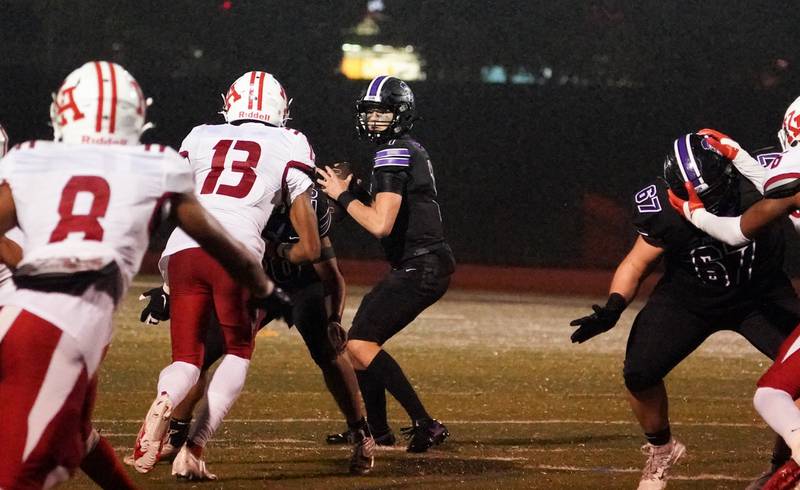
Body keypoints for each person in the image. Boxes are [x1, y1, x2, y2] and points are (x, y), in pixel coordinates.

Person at [0, 61, 277, 489]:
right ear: (134, 115)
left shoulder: (28, 157)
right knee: (30, 472)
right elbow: (222, 243)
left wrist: (30, 263)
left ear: (65, 109)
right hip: (62, 334)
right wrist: (264, 287)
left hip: (19, 317)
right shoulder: (156, 165)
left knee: (76, 435)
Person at [570, 132, 800, 490]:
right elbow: (635, 263)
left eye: (706, 195)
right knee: (639, 372)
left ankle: (783, 464)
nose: (698, 202)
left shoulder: (760, 180)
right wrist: (615, 305)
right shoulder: (662, 208)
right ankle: (661, 451)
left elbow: (738, 229)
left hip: (761, 295)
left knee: (798, 379)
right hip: (690, 299)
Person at [131, 70, 322, 480]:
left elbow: (173, 199)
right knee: (237, 350)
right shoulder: (291, 142)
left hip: (183, 249)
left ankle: (166, 398)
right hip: (235, 253)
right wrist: (280, 251)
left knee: (186, 359)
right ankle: (193, 449)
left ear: (231, 103)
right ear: (280, 110)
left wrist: (166, 284)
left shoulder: (200, 135)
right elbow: (311, 247)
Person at [134, 168, 376, 476]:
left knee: (329, 352)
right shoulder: (261, 212)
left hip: (301, 289)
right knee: (205, 352)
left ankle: (361, 432)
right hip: (256, 283)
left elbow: (332, 277)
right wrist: (168, 289)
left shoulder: (305, 223)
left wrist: (334, 318)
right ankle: (177, 434)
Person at [316, 75, 456, 453]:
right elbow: (392, 210)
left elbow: (381, 224)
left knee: (359, 344)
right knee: (357, 344)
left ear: (401, 113)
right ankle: (376, 431)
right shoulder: (402, 149)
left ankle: (426, 423)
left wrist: (344, 197)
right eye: (370, 112)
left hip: (421, 264)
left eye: (383, 111)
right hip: (419, 263)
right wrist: (358, 192)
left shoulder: (393, 151)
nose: (375, 119)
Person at [668, 113, 800, 489]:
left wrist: (692, 210)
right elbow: (778, 189)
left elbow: (738, 230)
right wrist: (738, 154)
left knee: (771, 394)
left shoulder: (789, 168)